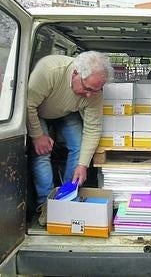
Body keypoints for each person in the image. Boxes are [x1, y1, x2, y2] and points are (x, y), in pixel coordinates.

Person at [27, 51, 114, 226]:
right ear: (75, 73)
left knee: (78, 146)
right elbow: (28, 104)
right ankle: (45, 205)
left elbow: (93, 128)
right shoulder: (50, 70)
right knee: (43, 153)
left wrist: (83, 165)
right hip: (38, 111)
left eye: (96, 90)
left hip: (66, 113)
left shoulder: (94, 92)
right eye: (87, 88)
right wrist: (37, 135)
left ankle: (65, 198)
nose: (90, 95)